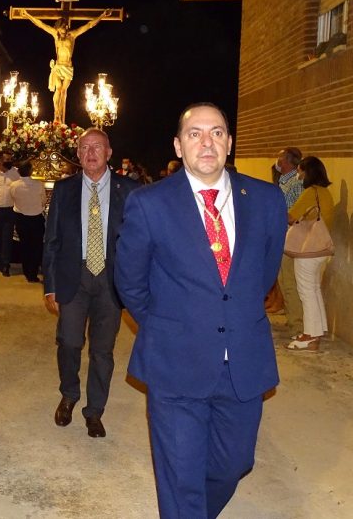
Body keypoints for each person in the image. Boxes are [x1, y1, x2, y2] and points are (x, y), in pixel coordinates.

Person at [115, 103, 286, 518]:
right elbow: (131, 282)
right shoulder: (149, 203)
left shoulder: (265, 199)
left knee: (234, 464)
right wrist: (168, 325)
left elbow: (263, 273)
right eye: (195, 133)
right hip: (175, 362)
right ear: (178, 144)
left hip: (243, 360)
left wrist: (230, 315)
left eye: (217, 132)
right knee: (181, 477)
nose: (206, 142)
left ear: (229, 142)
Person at [42, 129, 139, 438]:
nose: (91, 152)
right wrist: (50, 285)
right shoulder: (64, 189)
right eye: (84, 148)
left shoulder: (132, 191)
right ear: (78, 154)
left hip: (112, 281)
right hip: (74, 277)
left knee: (102, 351)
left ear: (109, 152)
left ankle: (95, 410)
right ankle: (69, 394)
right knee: (69, 342)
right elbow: (52, 240)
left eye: (97, 147)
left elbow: (141, 242)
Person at [18, 8, 111, 124]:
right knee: (58, 89)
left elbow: (89, 25)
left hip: (67, 68)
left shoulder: (72, 35)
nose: (65, 29)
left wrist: (102, 15)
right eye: (63, 27)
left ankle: (60, 114)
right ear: (58, 27)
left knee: (63, 91)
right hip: (58, 67)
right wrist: (27, 15)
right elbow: (40, 24)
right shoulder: (55, 35)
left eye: (66, 27)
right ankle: (56, 114)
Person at [284, 156, 334, 352]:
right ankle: (317, 331)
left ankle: (310, 336)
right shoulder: (325, 193)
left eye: (300, 171)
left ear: (308, 172)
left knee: (306, 292)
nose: (299, 175)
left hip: (308, 250)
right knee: (313, 290)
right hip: (321, 248)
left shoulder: (310, 192)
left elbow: (291, 216)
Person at [275, 147, 304, 335]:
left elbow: (290, 213)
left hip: (290, 239)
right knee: (282, 281)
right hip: (282, 238)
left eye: (279, 158)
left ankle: (298, 326)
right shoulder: (284, 182)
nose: (276, 163)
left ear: (286, 161)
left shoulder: (295, 183)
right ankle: (292, 318)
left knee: (289, 283)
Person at [9, 160, 47, 283]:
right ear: (31, 171)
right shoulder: (39, 184)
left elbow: (13, 198)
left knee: (25, 245)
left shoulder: (13, 185)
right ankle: (33, 272)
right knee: (36, 247)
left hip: (21, 218)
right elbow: (43, 201)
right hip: (36, 218)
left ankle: (26, 271)